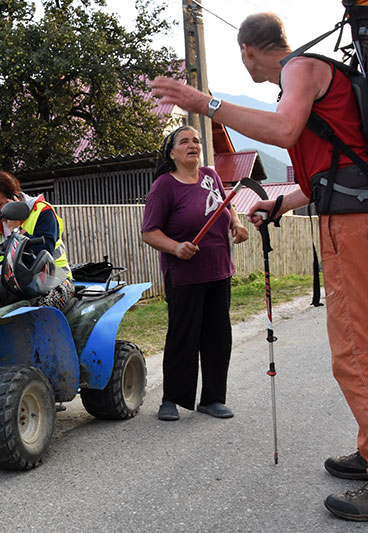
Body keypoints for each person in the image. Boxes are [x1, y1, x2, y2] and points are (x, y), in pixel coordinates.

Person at [152, 12, 368, 520]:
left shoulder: (302, 69)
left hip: (353, 223)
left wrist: (202, 102)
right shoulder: (312, 75)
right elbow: (332, 167)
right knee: (352, 344)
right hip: (344, 215)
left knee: (355, 346)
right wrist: (285, 201)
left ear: (247, 50)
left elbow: (283, 127)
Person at [141, 126, 249, 423]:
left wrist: (236, 224)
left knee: (218, 336)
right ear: (172, 152)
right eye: (185, 141)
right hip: (184, 273)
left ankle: (213, 398)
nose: (193, 145)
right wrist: (175, 248)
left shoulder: (211, 176)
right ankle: (172, 398)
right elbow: (149, 232)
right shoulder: (165, 185)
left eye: (197, 141)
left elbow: (228, 205)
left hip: (218, 270)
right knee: (183, 336)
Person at [0, 170, 74, 309]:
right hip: (3, 285)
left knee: (35, 309)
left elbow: (42, 253)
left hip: (52, 281)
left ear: (14, 197)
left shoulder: (42, 212)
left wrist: (16, 229)